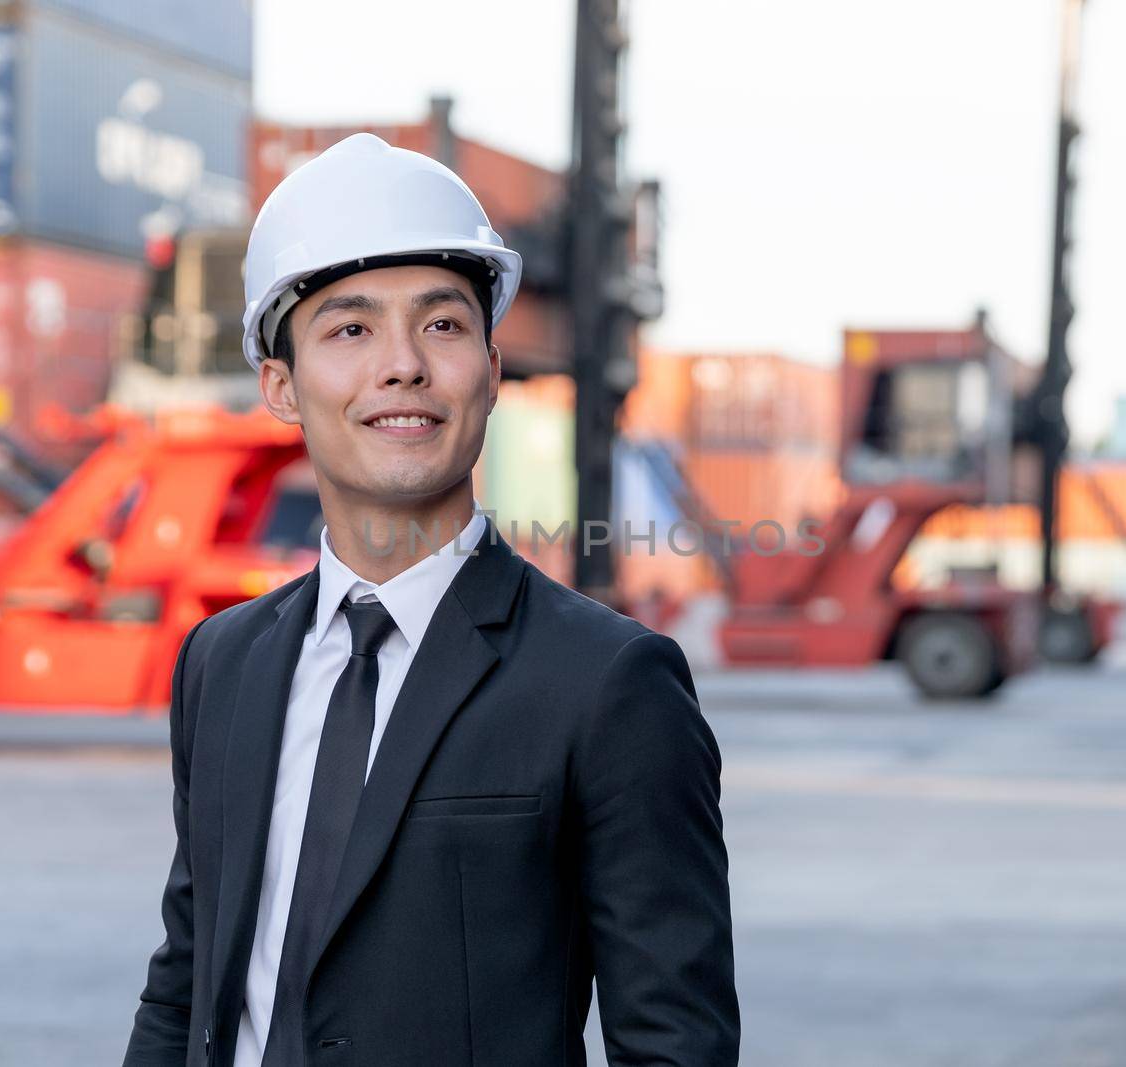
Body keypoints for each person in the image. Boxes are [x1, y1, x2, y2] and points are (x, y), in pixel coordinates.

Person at [122, 133, 739, 1067]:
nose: (403, 365)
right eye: (350, 329)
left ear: (491, 373)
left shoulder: (608, 684)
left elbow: (675, 1043)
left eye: (443, 325)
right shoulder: (223, 661)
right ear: (281, 387)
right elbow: (187, 979)